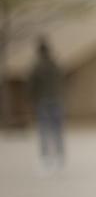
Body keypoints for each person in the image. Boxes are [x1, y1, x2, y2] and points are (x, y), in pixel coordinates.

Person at [29, 37, 66, 171]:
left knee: (44, 131)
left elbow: (31, 86)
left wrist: (32, 100)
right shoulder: (55, 64)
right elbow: (62, 80)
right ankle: (59, 156)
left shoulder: (37, 66)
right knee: (57, 130)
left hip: (43, 100)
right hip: (56, 99)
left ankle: (46, 158)